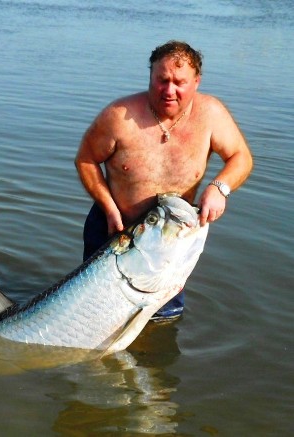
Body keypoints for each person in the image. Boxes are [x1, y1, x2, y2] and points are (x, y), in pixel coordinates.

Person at [75, 40, 253, 321]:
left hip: (168, 241)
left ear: (197, 81)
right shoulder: (119, 117)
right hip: (115, 232)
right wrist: (108, 206)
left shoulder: (211, 114)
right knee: (92, 319)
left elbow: (240, 157)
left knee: (163, 320)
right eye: (162, 80)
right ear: (151, 77)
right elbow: (85, 160)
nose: (169, 90)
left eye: (179, 82)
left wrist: (220, 187)